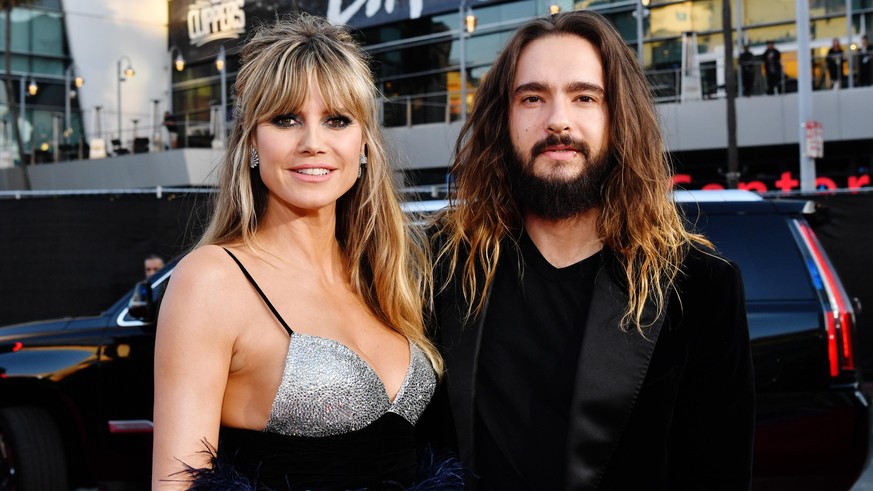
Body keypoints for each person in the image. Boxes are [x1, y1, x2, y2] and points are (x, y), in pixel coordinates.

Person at [426, 11, 755, 490]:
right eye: (532, 98)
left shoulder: (699, 286)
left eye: (584, 97)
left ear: (619, 116)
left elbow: (718, 474)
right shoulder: (443, 265)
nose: (558, 120)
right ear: (503, 120)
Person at [152, 14, 460, 490]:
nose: (313, 143)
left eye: (337, 120)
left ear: (363, 144)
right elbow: (175, 484)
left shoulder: (386, 272)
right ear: (253, 142)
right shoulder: (211, 280)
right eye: (286, 119)